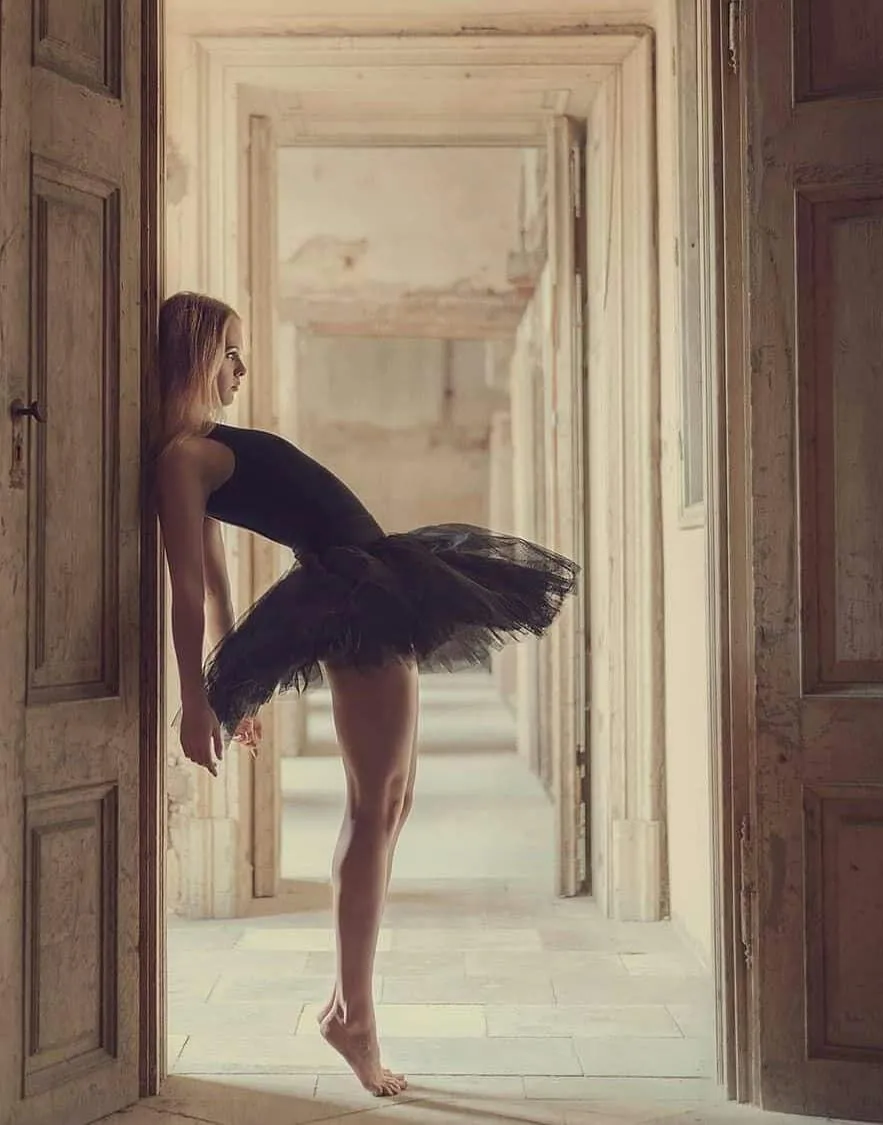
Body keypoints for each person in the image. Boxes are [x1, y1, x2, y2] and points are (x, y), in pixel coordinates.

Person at [155, 290, 578, 1097]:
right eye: (228, 353)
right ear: (195, 354)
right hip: (351, 592)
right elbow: (187, 586)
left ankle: (347, 1005)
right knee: (372, 804)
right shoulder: (182, 458)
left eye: (242, 353)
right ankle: (354, 1017)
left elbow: (217, 581)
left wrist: (236, 679)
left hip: (370, 578)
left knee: (391, 800)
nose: (240, 369)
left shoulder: (203, 447)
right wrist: (201, 697)